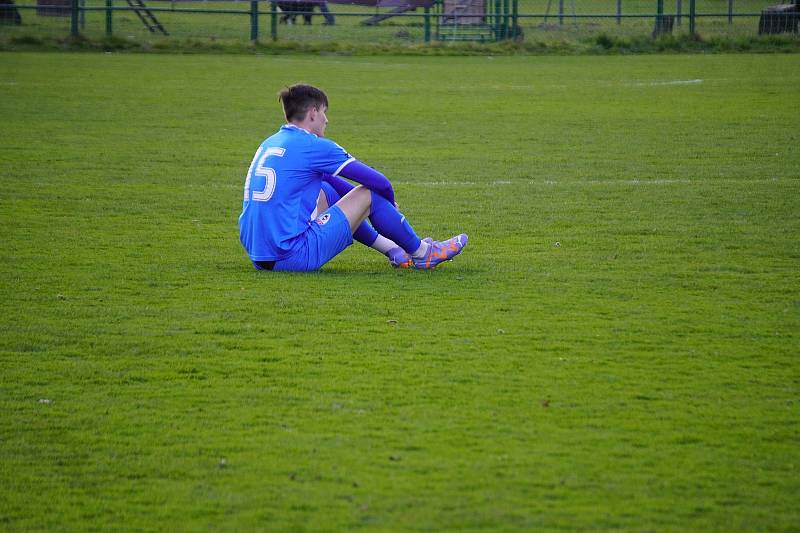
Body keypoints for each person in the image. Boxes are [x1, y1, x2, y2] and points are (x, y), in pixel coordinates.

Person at [238, 84, 468, 273]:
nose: (326, 120)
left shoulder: (270, 142)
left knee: (326, 189)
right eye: (324, 112)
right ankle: (423, 253)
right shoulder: (313, 146)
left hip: (260, 257)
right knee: (369, 193)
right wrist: (386, 203)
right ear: (313, 113)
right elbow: (380, 182)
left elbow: (330, 181)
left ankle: (394, 250)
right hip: (291, 257)